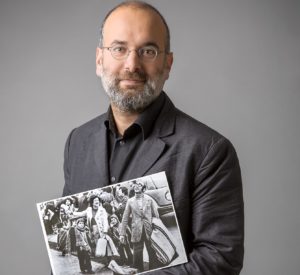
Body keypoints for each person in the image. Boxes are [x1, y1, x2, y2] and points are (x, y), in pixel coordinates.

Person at [62, 1, 244, 274]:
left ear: (167, 63)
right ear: (100, 60)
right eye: (119, 49)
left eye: (148, 50)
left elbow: (219, 260)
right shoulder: (78, 141)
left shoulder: (209, 151)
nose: (132, 64)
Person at [119, 179, 160, 272]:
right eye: (135, 184)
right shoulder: (130, 201)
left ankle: (154, 271)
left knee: (152, 252)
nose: (137, 186)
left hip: (149, 229)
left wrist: (157, 228)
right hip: (136, 231)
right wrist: (122, 234)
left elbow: (156, 216)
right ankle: (139, 271)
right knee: (137, 254)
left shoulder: (149, 200)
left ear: (144, 188)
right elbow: (125, 218)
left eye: (140, 185)